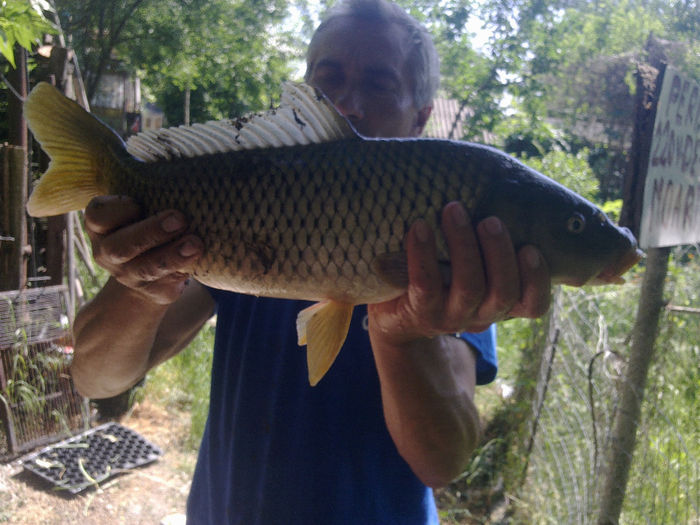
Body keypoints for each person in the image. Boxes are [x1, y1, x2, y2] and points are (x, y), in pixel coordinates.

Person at [70, 0, 551, 523]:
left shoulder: (453, 244)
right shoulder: (253, 205)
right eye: (329, 79)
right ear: (305, 94)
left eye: (379, 84)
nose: (348, 103)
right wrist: (145, 281)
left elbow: (444, 460)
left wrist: (402, 334)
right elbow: (96, 378)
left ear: (420, 116)